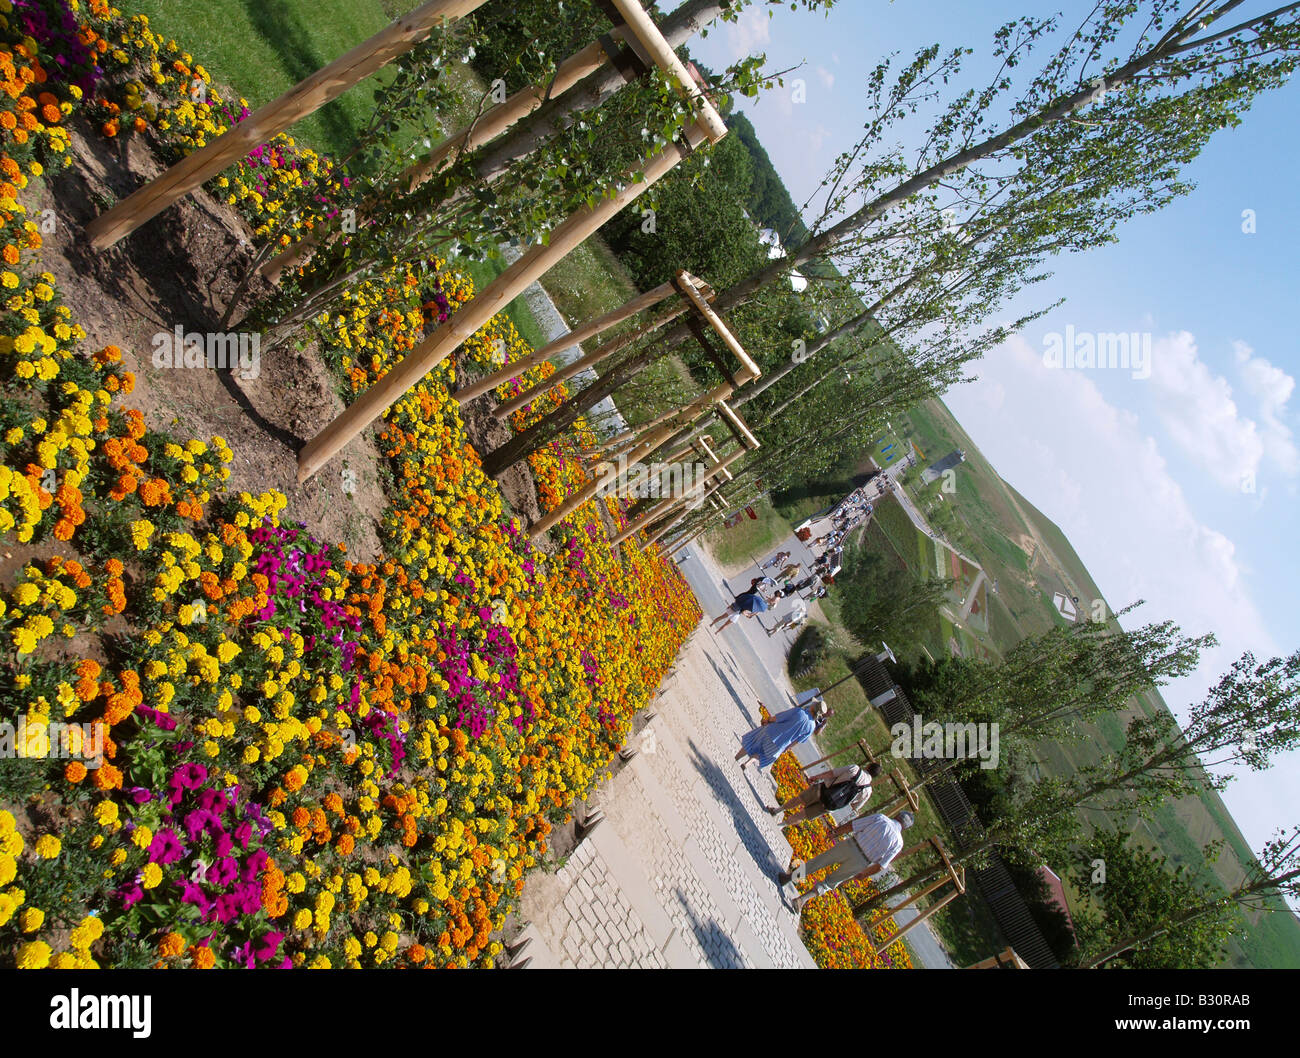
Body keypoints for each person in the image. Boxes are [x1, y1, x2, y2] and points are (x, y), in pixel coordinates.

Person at [780, 811, 915, 911]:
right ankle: (802, 899)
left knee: (818, 862)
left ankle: (789, 878)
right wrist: (864, 874)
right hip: (862, 861)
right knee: (831, 882)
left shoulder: (882, 819)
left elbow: (855, 825)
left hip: (851, 845)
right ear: (904, 828)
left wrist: (837, 832)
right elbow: (881, 865)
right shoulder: (898, 843)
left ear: (897, 815)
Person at [766, 762, 881, 825]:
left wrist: (816, 777)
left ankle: (777, 811)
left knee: (799, 800)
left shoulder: (855, 769)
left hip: (822, 790)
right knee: (804, 815)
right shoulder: (868, 791)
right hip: (829, 805)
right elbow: (855, 806)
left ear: (868, 766)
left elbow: (832, 773)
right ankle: (781, 826)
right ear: (874, 776)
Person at [734, 699, 827, 771]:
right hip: (780, 745)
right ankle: (748, 763)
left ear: (812, 707)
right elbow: (797, 741)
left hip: (771, 731)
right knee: (762, 755)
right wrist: (786, 748)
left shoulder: (799, 711)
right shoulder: (811, 727)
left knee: (752, 742)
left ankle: (736, 757)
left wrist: (768, 720)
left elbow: (780, 717)